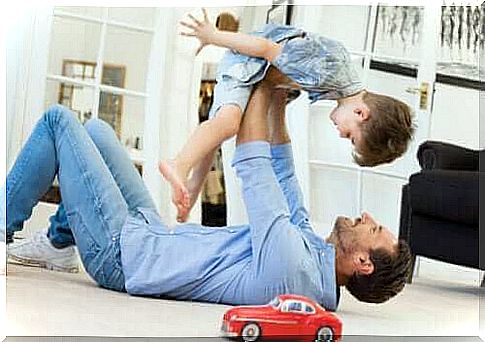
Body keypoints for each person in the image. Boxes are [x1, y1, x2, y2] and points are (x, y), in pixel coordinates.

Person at [4, 82, 413, 310]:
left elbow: (254, 165)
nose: (365, 215)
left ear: (362, 264)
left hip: (124, 256)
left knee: (58, 122)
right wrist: (277, 102)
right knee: (96, 132)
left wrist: (261, 85)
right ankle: (59, 244)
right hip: (151, 232)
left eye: (373, 228)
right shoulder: (312, 253)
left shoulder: (293, 271)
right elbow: (283, 173)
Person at [159, 9, 415, 223]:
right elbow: (265, 48)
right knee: (227, 123)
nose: (340, 132)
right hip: (246, 61)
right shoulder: (328, 74)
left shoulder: (338, 82)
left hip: (255, 68)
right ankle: (179, 164)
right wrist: (214, 36)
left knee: (220, 126)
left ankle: (193, 185)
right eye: (350, 136)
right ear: (361, 112)